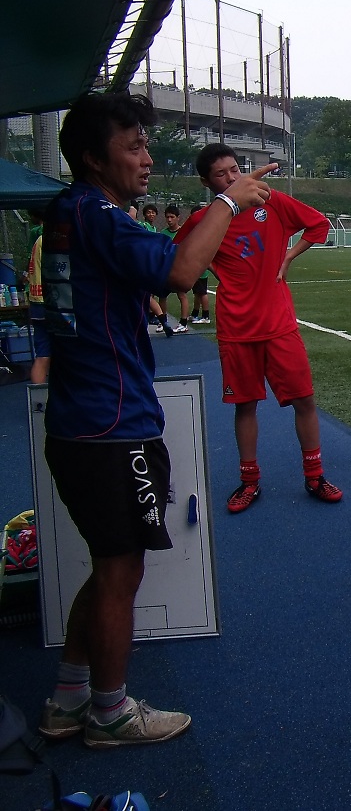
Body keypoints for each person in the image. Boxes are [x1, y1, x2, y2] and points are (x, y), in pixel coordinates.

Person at [36, 91, 273, 748]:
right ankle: (110, 712)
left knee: (106, 566)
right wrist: (229, 201)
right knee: (121, 572)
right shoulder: (100, 217)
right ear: (93, 157)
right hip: (114, 425)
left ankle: (68, 699)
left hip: (78, 419)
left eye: (146, 143)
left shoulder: (70, 210)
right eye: (133, 146)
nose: (146, 157)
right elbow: (181, 270)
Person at [178, 143, 343, 513]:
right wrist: (210, 264)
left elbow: (318, 224)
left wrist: (289, 255)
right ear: (206, 182)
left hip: (279, 324)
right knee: (245, 406)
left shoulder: (272, 201)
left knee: (304, 400)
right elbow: (178, 260)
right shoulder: (204, 220)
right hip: (236, 330)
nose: (231, 178)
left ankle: (315, 475)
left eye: (234, 170)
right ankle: (249, 481)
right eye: (221, 174)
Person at [133, 204, 172, 335]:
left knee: (149, 294)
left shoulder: (154, 228)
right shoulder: (143, 225)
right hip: (143, 262)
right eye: (148, 212)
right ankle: (160, 320)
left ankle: (155, 318)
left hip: (151, 263)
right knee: (146, 294)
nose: (151, 214)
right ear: (144, 214)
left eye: (153, 212)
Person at [24, 227, 49, 384]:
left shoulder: (39, 241)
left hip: (36, 301)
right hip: (53, 303)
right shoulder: (55, 238)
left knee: (42, 356)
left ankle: (38, 398)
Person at [160, 205, 190, 332]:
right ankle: (163, 322)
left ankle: (183, 323)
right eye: (167, 217)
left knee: (181, 295)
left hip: (179, 268)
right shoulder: (163, 233)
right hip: (166, 269)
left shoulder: (184, 232)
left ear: (178, 218)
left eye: (172, 217)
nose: (169, 220)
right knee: (162, 295)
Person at [188, 205, 212, 324]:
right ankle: (195, 313)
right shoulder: (196, 230)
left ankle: (206, 316)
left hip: (201, 268)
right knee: (197, 292)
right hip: (195, 268)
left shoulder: (204, 231)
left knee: (202, 293)